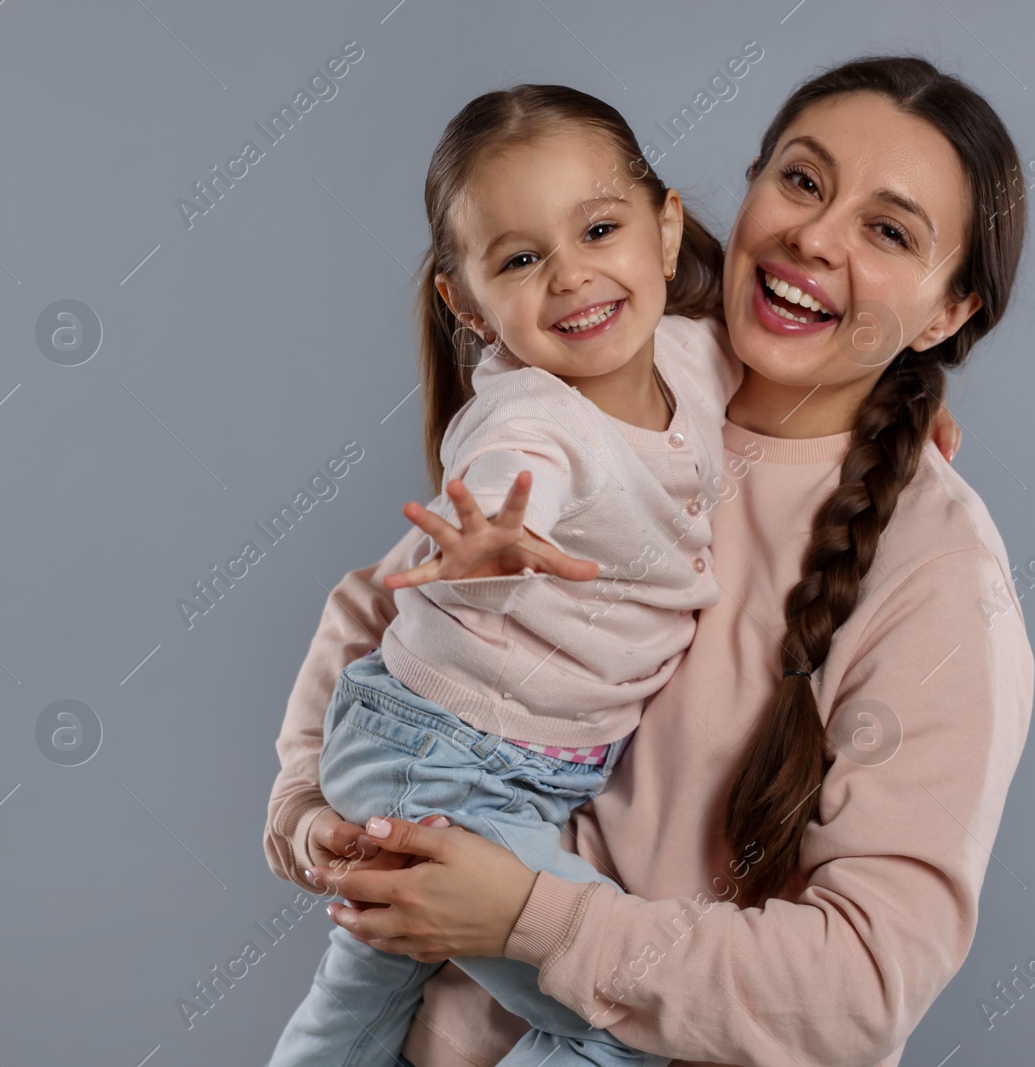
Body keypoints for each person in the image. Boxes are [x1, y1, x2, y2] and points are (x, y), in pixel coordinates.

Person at [266, 55, 1034, 1067]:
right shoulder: (622, 378)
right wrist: (304, 809)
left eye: (887, 231)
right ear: (749, 186)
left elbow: (858, 989)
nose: (813, 235)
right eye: (801, 181)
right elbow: (389, 608)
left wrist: (529, 916)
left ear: (947, 313)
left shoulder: (938, 576)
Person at [268, 83, 744, 1066]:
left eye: (599, 229)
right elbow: (508, 470)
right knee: (623, 1011)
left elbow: (808, 386)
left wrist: (905, 427)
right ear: (467, 302)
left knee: (361, 994)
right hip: (446, 762)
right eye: (521, 258)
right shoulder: (529, 418)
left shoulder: (693, 360)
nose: (570, 276)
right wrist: (483, 538)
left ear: (665, 232)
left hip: (496, 763)